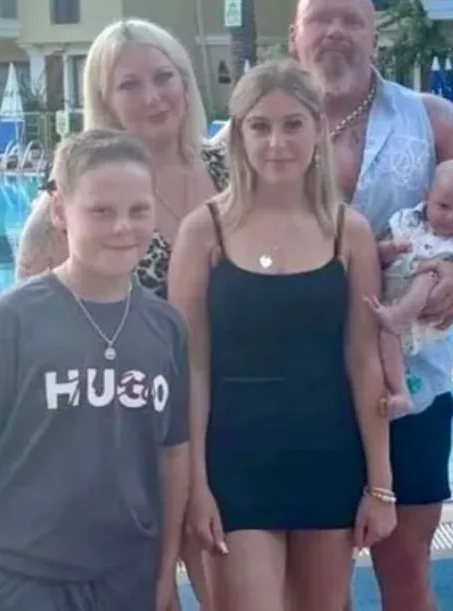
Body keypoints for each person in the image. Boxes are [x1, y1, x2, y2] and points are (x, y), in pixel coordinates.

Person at [287, 0, 453, 609]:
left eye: (353, 20)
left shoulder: (431, 117)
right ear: (295, 35)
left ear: (375, 38)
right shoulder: (264, 125)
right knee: (314, 584)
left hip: (410, 382)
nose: (336, 31)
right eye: (321, 18)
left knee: (407, 568)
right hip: (301, 385)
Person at [12, 18, 226, 609]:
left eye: (164, 77)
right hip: (128, 431)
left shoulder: (232, 171)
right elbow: (31, 321)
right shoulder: (72, 203)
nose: (153, 96)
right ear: (104, 100)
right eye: (130, 85)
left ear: (185, 81)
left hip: (231, 418)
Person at [168, 58, 396, 611]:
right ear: (238, 134)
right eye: (260, 126)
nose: (276, 142)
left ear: (318, 128)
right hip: (234, 462)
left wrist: (381, 485)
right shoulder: (205, 231)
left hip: (327, 455)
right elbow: (191, 366)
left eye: (293, 124)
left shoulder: (348, 232)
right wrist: (195, 485)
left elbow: (363, 362)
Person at [0, 129, 190, 611]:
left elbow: (173, 457)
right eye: (101, 211)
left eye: (138, 210)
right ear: (59, 212)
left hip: (126, 576)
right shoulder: (10, 321)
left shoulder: (165, 328)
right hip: (21, 576)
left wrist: (164, 570)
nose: (123, 227)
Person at [364, 159, 453, 417]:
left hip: (422, 313)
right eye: (443, 206)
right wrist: (392, 248)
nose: (451, 217)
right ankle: (400, 393)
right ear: (426, 196)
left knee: (429, 274)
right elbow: (377, 254)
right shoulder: (407, 222)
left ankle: (399, 316)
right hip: (391, 303)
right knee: (387, 336)